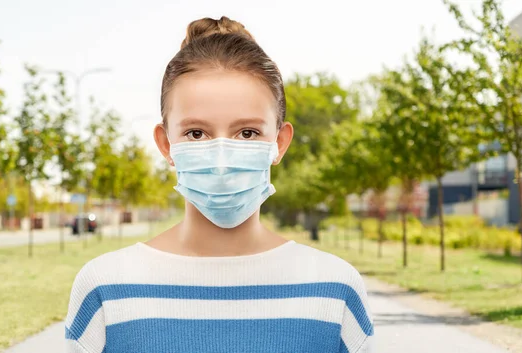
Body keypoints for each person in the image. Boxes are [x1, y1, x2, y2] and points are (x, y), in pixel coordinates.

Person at [65, 16, 374, 353]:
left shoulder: (334, 291)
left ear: (279, 143)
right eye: (196, 133)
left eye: (248, 133)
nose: (222, 159)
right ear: (166, 144)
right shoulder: (105, 290)